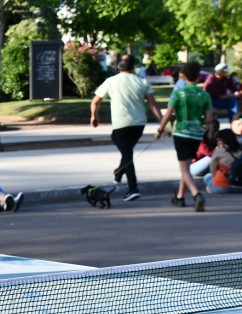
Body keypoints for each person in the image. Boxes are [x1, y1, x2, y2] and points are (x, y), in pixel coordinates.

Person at [90, 54, 164, 201]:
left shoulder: (111, 81)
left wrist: (94, 116)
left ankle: (133, 188)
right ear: (133, 66)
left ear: (119, 66)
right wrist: (161, 122)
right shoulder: (142, 82)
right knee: (127, 152)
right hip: (139, 124)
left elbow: (95, 101)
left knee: (127, 154)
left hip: (121, 124)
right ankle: (118, 174)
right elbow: (152, 104)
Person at [157, 61, 213, 212]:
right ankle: (180, 197)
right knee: (186, 167)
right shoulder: (205, 95)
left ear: (183, 75)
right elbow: (208, 119)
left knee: (184, 169)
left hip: (182, 132)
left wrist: (161, 128)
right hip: (196, 134)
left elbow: (168, 113)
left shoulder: (178, 93)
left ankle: (197, 195)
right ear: (198, 76)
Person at [203, 129, 242, 194]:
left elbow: (212, 170)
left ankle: (209, 188)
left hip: (223, 187)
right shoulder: (240, 149)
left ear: (222, 140)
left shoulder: (219, 151)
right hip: (240, 187)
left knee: (207, 177)